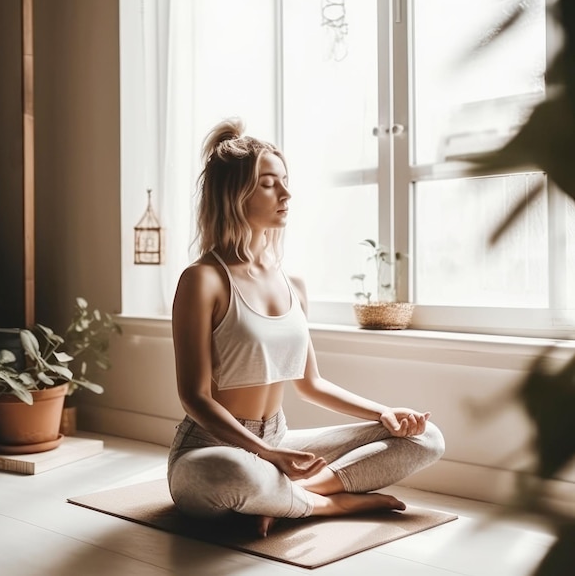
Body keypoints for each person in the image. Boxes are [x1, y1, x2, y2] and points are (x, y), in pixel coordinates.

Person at [167, 117, 445, 537]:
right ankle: (330, 504)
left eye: (285, 180)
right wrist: (264, 453)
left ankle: (295, 498)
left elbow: (310, 383)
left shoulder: (291, 283)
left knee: (426, 438)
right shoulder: (202, 279)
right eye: (268, 183)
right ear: (233, 193)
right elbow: (195, 397)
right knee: (227, 476)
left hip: (278, 440)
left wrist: (384, 413)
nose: (286, 193)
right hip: (213, 448)